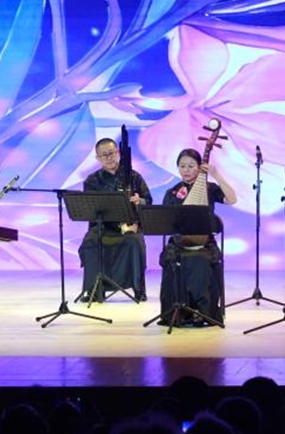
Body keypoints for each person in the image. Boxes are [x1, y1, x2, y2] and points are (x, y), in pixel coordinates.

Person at [157, 149, 237, 327]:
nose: (186, 170)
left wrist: (216, 175)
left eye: (191, 166)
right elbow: (165, 221)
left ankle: (203, 313)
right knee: (172, 260)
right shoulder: (172, 192)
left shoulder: (210, 189)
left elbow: (232, 199)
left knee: (199, 260)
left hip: (204, 244)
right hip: (179, 244)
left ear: (200, 167)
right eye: (182, 166)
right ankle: (176, 313)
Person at [78, 137, 152, 302]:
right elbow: (89, 210)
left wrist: (140, 201)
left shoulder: (133, 176)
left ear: (118, 153)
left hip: (129, 227)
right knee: (90, 242)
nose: (108, 157)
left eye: (111, 153)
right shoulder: (92, 181)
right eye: (104, 155)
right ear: (97, 158)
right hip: (104, 227)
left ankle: (138, 289)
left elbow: (149, 200)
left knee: (135, 242)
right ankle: (94, 290)